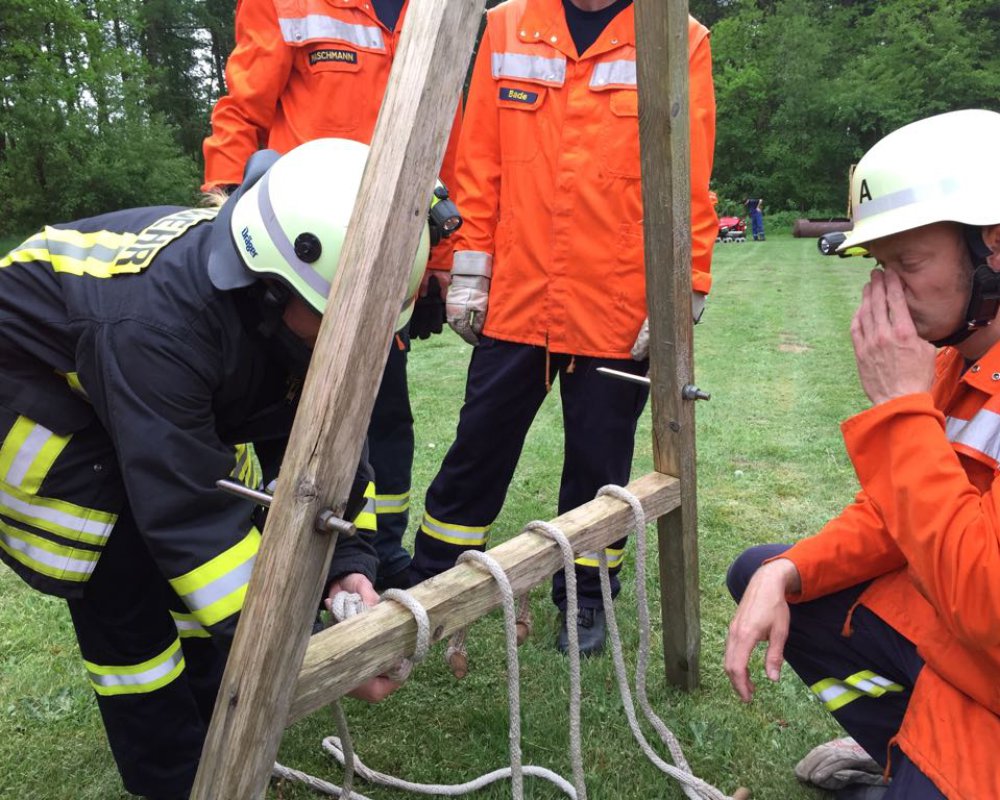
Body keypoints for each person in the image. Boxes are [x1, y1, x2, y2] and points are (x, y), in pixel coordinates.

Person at [0, 138, 423, 799]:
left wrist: (350, 566)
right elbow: (190, 514)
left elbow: (324, 453)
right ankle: (173, 778)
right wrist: (307, 655)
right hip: (30, 395)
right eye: (337, 319)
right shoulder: (161, 326)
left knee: (199, 601)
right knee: (124, 576)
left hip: (115, 380)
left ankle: (209, 723)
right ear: (273, 284)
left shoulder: (277, 304)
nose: (352, 339)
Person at [409, 0, 717, 656]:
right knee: (478, 446)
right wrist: (466, 273)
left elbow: (690, 178)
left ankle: (584, 601)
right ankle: (432, 584)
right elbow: (478, 166)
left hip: (616, 302)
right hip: (519, 297)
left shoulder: (677, 38)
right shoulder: (507, 24)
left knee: (599, 464)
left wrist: (683, 291)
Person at [724, 109, 1000, 800]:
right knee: (768, 572)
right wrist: (790, 570)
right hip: (965, 652)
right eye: (881, 266)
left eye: (910, 263)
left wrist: (900, 414)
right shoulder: (962, 361)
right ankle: (903, 751)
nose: (889, 291)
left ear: (993, 248)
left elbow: (990, 610)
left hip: (986, 654)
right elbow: (893, 517)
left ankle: (923, 764)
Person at [202, 0, 463, 591]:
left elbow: (449, 146)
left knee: (385, 412)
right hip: (298, 254)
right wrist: (223, 206)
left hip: (392, 253)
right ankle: (280, 546)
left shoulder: (435, 13)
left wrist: (438, 262)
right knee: (286, 410)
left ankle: (373, 550)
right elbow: (244, 107)